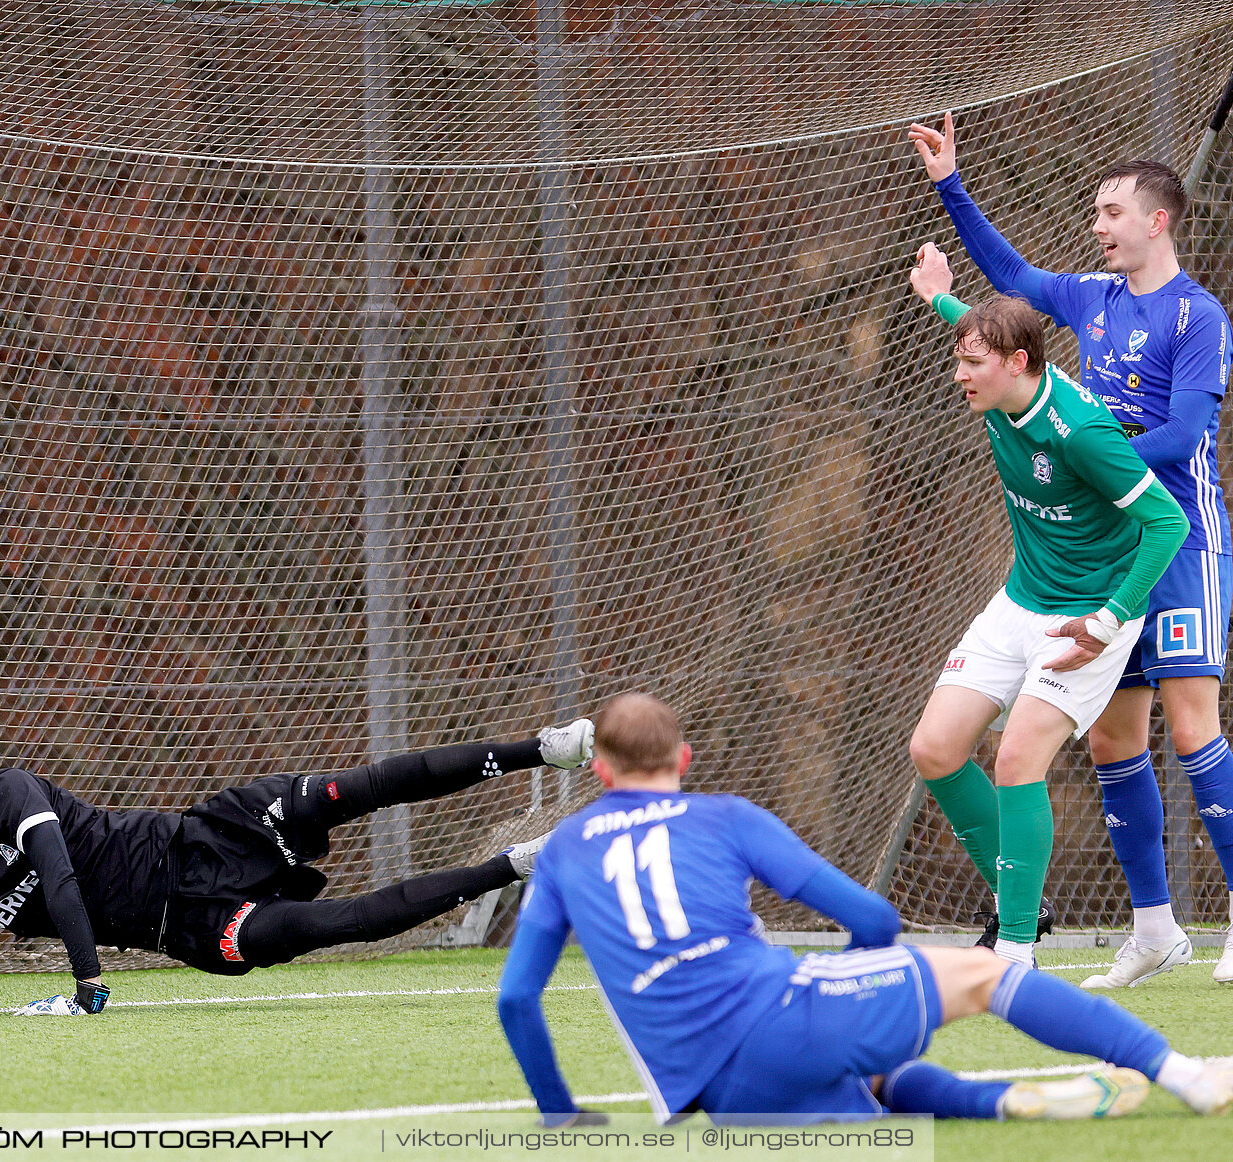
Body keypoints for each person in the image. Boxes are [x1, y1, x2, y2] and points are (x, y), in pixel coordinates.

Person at [498, 691, 1233, 1126]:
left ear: (598, 770)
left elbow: (517, 999)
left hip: (713, 1095)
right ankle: (1185, 1076)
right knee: (987, 979)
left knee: (869, 1087)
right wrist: (837, 987)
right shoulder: (723, 817)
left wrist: (561, 1114)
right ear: (683, 760)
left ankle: (1000, 1104)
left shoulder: (563, 847)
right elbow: (875, 922)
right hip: (781, 1019)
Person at [0, 719, 598, 1013]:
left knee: (357, 786)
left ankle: (539, 752)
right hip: (185, 928)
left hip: (207, 838)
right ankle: (518, 859)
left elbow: (58, 877)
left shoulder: (9, 790)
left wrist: (87, 980)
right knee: (333, 925)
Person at [911, 113, 1233, 987]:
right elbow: (1010, 285)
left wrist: (1089, 440)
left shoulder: (1198, 316)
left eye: (1111, 210)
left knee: (1195, 725)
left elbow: (1186, 432)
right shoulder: (1092, 297)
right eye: (1095, 211)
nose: (1098, 224)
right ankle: (1156, 930)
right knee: (1112, 746)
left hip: (1180, 539)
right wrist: (951, 184)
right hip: (1106, 542)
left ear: (1156, 221)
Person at [896, 265, 1187, 967]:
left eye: (970, 364)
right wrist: (938, 295)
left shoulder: (1081, 431)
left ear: (1016, 365)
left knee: (1020, 759)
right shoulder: (999, 385)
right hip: (1019, 602)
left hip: (1087, 618)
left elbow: (1166, 523)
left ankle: (1016, 951)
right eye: (959, 358)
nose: (959, 374)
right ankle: (1018, 890)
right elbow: (981, 331)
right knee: (934, 750)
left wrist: (1108, 622)